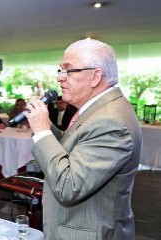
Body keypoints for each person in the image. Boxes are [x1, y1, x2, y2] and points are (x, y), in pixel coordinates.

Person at [24, 39, 142, 240]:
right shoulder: (98, 110)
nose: (60, 78)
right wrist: (44, 125)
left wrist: (43, 133)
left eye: (68, 70)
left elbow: (69, 186)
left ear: (95, 76)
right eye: (60, 70)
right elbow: (74, 147)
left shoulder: (111, 121)